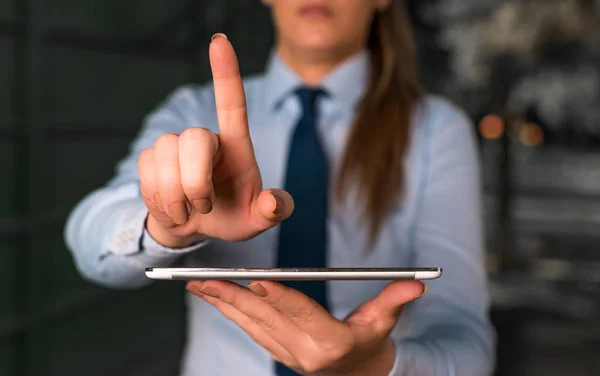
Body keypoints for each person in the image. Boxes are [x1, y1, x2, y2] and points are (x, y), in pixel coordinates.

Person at [65, 0, 496, 375]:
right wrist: (167, 224)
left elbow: (466, 340)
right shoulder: (194, 111)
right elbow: (90, 240)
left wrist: (378, 367)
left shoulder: (436, 130)